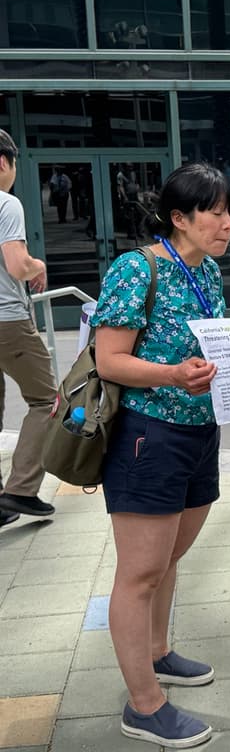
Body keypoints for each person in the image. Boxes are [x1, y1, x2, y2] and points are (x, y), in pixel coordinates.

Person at [91, 163, 230, 748]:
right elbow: (110, 361)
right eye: (214, 212)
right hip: (149, 436)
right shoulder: (137, 268)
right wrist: (174, 375)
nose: (226, 223)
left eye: (229, 211)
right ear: (179, 218)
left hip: (200, 434)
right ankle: (144, 705)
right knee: (140, 572)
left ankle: (157, 651)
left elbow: (212, 345)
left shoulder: (210, 272)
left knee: (170, 556)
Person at [0, 129, 58, 525]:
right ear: (4, 163)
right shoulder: (6, 204)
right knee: (47, 400)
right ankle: (20, 491)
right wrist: (38, 266)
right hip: (7, 320)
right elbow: (17, 265)